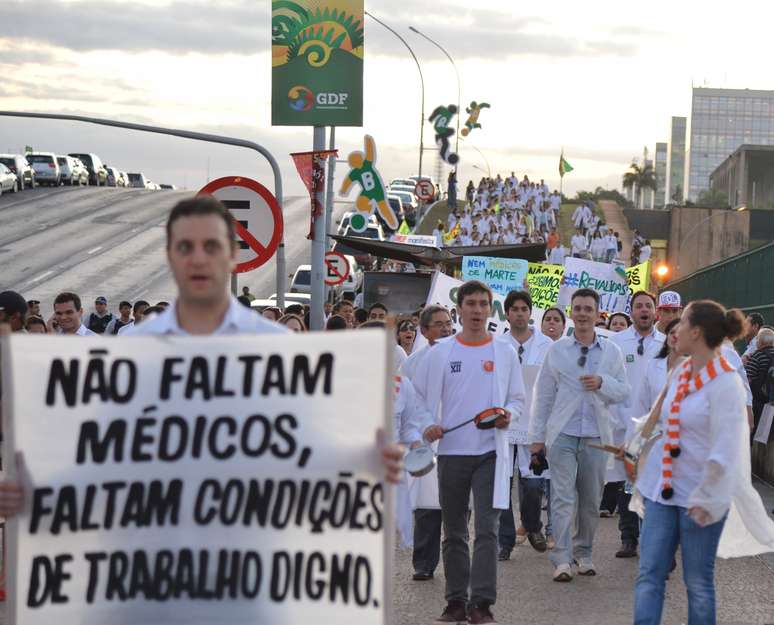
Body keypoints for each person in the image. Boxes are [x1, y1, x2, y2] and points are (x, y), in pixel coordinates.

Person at [632, 300, 774, 625]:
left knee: (697, 583)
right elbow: (658, 418)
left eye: (681, 323)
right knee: (649, 574)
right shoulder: (681, 371)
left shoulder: (726, 383)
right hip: (662, 492)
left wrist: (708, 495)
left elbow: (726, 446)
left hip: (700, 499)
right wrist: (632, 445)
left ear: (695, 332)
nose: (674, 329)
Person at [412, 280, 525, 624]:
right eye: (470, 304)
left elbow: (518, 399)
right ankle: (456, 601)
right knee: (455, 530)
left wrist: (509, 415)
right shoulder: (439, 352)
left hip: (491, 452)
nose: (477, 310)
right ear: (458, 310)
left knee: (487, 529)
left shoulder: (504, 351)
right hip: (451, 453)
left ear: (491, 310)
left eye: (483, 304)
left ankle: (482, 604)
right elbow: (416, 399)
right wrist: (428, 425)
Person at [530, 288, 629, 582]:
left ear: (598, 314)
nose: (583, 313)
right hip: (562, 434)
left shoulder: (612, 351)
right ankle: (561, 558)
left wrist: (602, 382)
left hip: (597, 436)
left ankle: (583, 552)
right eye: (579, 308)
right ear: (571, 313)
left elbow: (624, 390)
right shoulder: (557, 350)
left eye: (589, 308)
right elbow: (544, 396)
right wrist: (537, 439)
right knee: (561, 498)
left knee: (590, 500)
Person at [497, 290, 554, 559]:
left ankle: (532, 526)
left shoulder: (548, 345)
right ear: (507, 313)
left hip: (535, 429)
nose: (520, 313)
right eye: (515, 309)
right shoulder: (497, 344)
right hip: (505, 427)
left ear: (531, 313)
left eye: (524, 309)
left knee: (534, 485)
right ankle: (505, 541)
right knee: (502, 484)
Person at [609, 291, 665, 559]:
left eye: (648, 306)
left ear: (656, 312)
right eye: (638, 306)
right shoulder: (616, 342)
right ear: (631, 312)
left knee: (654, 484)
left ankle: (656, 541)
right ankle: (628, 538)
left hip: (656, 428)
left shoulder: (667, 344)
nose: (644, 310)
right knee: (626, 483)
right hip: (624, 423)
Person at [400, 305, 453, 582]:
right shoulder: (413, 363)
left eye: (449, 323)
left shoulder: (463, 355)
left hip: (458, 440)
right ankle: (423, 563)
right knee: (426, 506)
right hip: (425, 442)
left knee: (456, 507)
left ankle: (457, 562)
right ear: (424, 330)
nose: (446, 329)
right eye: (439, 324)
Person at [598, 311, 632, 517]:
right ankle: (607, 502)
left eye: (622, 323)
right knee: (610, 460)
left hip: (629, 411)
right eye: (615, 323)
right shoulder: (604, 349)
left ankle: (620, 504)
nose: (618, 326)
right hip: (609, 410)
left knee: (626, 461)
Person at [744, 327, 774, 428]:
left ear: (760, 342)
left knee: (759, 432)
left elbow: (747, 379)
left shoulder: (757, 356)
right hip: (771, 399)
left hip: (759, 402)